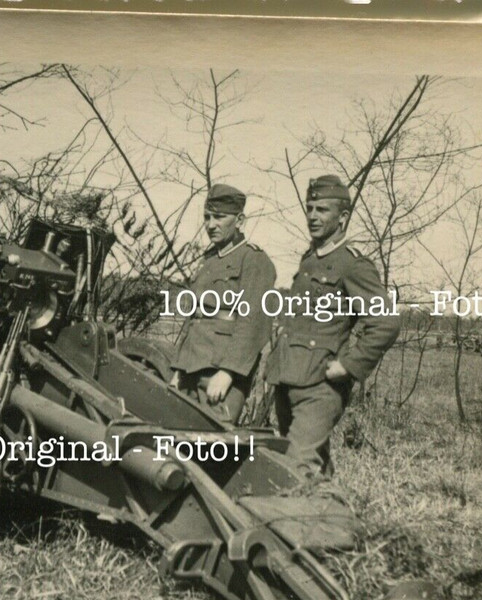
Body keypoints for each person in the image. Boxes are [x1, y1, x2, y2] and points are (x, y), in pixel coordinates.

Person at [265, 175, 401, 478]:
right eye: (310, 208)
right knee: (310, 463)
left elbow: (387, 322)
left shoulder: (353, 265)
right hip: (289, 379)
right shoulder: (309, 260)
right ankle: (330, 516)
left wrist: (350, 365)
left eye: (322, 210)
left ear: (343, 217)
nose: (312, 216)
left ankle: (304, 522)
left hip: (320, 387)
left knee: (296, 469)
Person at [170, 184, 277, 423]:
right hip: (190, 368)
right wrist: (178, 368)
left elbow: (253, 322)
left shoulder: (254, 260)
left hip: (219, 373)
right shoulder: (210, 260)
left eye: (219, 217)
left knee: (213, 446)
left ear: (240, 220)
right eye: (207, 217)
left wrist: (228, 372)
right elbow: (195, 317)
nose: (211, 224)